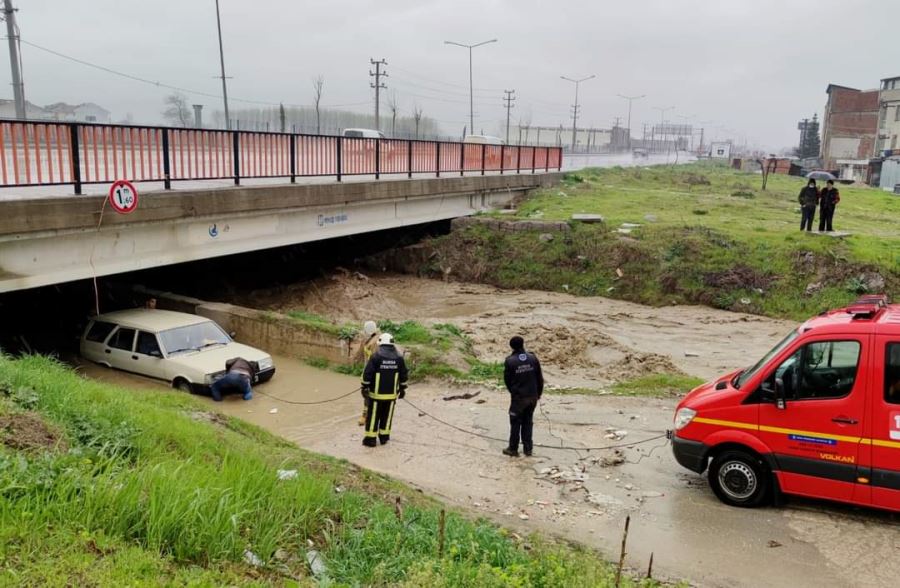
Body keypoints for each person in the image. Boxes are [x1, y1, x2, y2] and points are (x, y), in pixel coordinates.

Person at [360, 333, 408, 447]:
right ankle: (384, 438)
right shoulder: (399, 358)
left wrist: (364, 387)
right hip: (391, 396)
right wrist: (402, 389)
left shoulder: (376, 356)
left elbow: (367, 374)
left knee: (373, 416)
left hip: (376, 395)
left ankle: (370, 439)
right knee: (387, 416)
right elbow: (404, 375)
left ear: (380, 343)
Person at [502, 336, 544, 457]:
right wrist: (538, 394)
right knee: (528, 422)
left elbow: (507, 381)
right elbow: (539, 378)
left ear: (511, 346)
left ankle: (513, 449)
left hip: (519, 398)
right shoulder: (533, 358)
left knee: (515, 423)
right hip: (532, 397)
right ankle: (528, 449)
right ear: (523, 344)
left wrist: (514, 393)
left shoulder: (510, 361)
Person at [358, 320, 380, 426]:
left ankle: (366, 415)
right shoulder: (370, 340)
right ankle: (367, 414)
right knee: (366, 394)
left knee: (367, 394)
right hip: (368, 371)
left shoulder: (375, 342)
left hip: (372, 373)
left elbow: (375, 360)